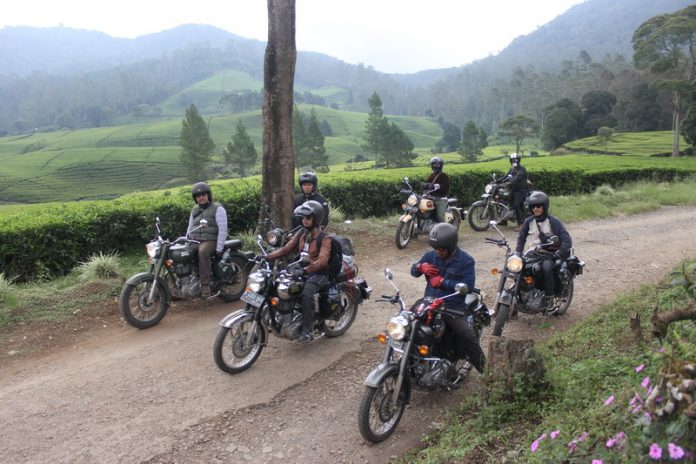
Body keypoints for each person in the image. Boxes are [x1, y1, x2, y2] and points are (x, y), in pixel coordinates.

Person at [410, 223, 485, 373]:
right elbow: (414, 271)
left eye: (441, 249)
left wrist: (444, 282)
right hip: (429, 303)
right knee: (407, 325)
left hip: (451, 306)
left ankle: (486, 370)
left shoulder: (466, 260)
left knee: (466, 335)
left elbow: (468, 287)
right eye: (435, 248)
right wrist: (420, 267)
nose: (438, 252)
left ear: (450, 246)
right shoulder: (430, 256)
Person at [266, 200, 332, 343]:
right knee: (280, 285)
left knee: (306, 293)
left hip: (319, 273)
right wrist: (267, 256)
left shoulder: (324, 238)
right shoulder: (302, 233)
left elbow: (322, 261)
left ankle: (308, 330)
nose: (305, 220)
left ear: (316, 218)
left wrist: (306, 269)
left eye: (308, 218)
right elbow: (286, 249)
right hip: (301, 270)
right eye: (303, 218)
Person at [515, 191, 572, 311]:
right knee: (518, 268)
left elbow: (566, 239)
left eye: (539, 206)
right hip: (533, 253)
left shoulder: (553, 221)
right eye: (533, 206)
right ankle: (517, 299)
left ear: (544, 206)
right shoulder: (529, 221)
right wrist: (518, 252)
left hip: (550, 254)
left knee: (546, 268)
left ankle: (549, 298)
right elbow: (521, 237)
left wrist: (559, 253)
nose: (536, 209)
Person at [186, 182, 228, 298]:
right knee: (182, 252)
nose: (201, 197)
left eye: (203, 195)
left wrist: (219, 247)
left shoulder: (218, 208)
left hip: (210, 240)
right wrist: (186, 240)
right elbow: (190, 227)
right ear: (195, 198)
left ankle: (205, 286)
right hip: (196, 240)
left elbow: (223, 228)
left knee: (203, 251)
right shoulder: (194, 210)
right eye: (198, 196)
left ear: (208, 195)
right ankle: (185, 281)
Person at [503, 153, 529, 230]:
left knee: (516, 205)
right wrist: (496, 182)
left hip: (521, 190)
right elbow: (505, 177)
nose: (514, 161)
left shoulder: (522, 169)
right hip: (513, 190)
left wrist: (510, 182)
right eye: (513, 160)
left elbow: (517, 177)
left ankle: (520, 224)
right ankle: (504, 220)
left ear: (518, 161)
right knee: (505, 202)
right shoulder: (511, 169)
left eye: (515, 160)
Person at [426, 157, 450, 223]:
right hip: (431, 198)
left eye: (436, 164)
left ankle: (445, 229)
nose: (434, 166)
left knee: (441, 217)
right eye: (433, 164)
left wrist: (437, 187)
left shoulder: (444, 176)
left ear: (440, 165)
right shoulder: (431, 176)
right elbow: (427, 185)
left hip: (440, 199)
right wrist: (424, 186)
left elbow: (445, 188)